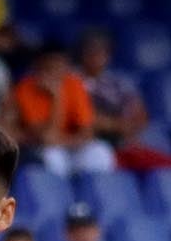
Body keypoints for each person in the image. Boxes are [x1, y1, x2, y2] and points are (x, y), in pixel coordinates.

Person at [78, 30, 171, 172]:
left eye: (102, 52)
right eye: (92, 52)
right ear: (82, 55)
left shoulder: (117, 82)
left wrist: (124, 127)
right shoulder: (75, 82)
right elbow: (86, 119)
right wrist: (115, 125)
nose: (97, 57)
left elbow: (140, 115)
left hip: (123, 143)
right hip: (92, 145)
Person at [13, 42, 117, 176]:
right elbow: (46, 138)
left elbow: (87, 132)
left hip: (70, 145)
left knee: (101, 151)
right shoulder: (26, 89)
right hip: (41, 149)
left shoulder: (74, 84)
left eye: (60, 67)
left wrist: (66, 142)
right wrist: (57, 97)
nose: (56, 73)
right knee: (53, 158)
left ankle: (91, 195)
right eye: (50, 68)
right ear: (39, 68)